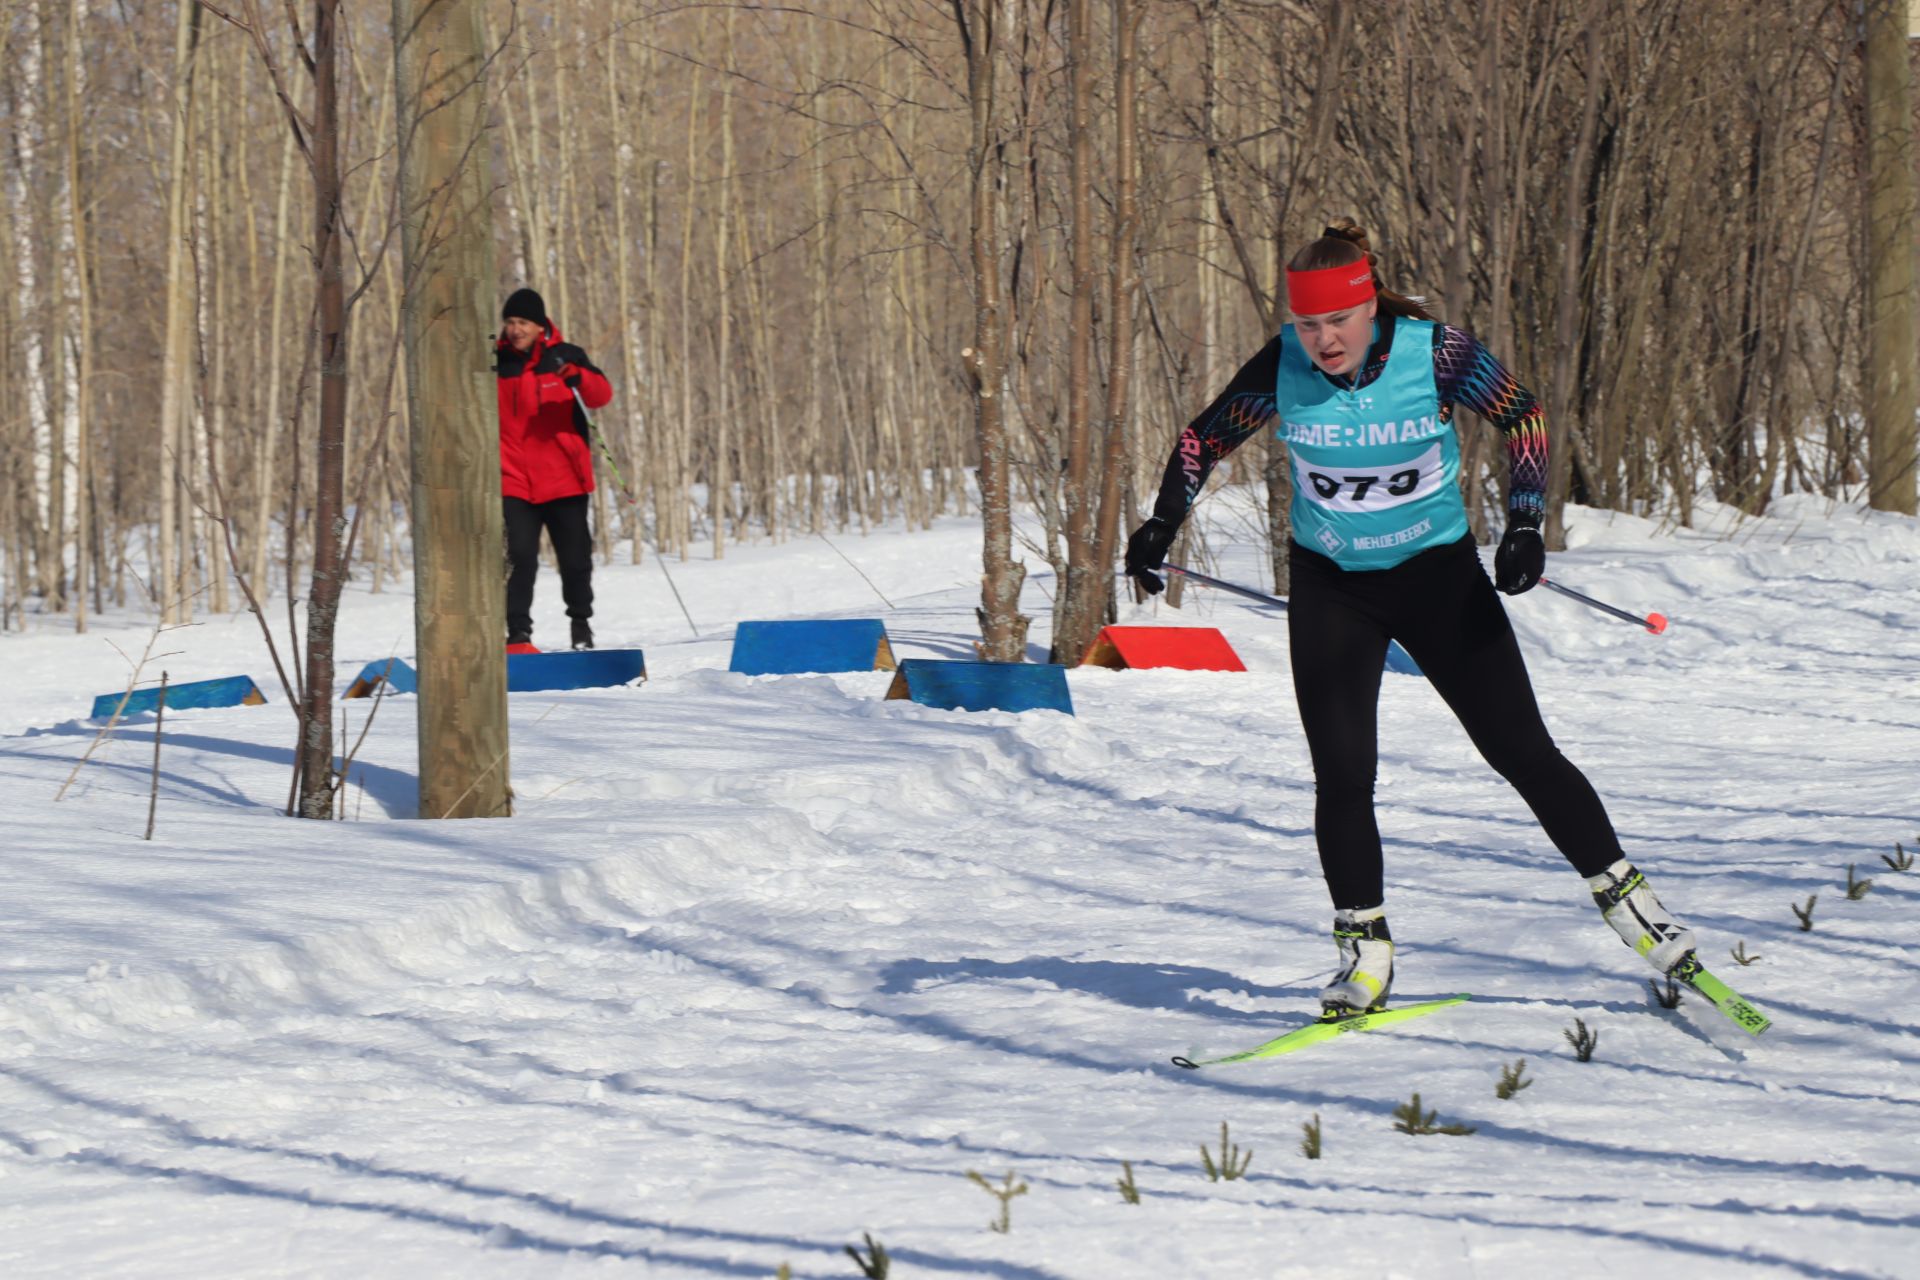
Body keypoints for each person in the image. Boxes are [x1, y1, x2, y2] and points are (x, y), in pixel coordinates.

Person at [1126, 219, 1697, 1018]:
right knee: (1344, 775)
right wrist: (1160, 523)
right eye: (1308, 324)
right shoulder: (1283, 366)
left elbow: (1522, 416)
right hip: (1335, 589)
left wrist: (1527, 523)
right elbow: (1202, 441)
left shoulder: (1433, 353)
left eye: (1338, 322)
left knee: (1521, 752)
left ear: (1369, 310)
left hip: (1438, 578)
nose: (1324, 340)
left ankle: (1635, 908)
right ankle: (1364, 954)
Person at [496, 287, 613, 650]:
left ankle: (580, 623)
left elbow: (600, 395)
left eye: (523, 322)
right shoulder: (494, 362)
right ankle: (518, 634)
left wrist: (578, 376)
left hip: (565, 479)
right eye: (510, 322)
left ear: (540, 325)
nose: (515, 329)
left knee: (575, 560)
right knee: (518, 560)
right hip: (514, 480)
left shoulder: (565, 356)